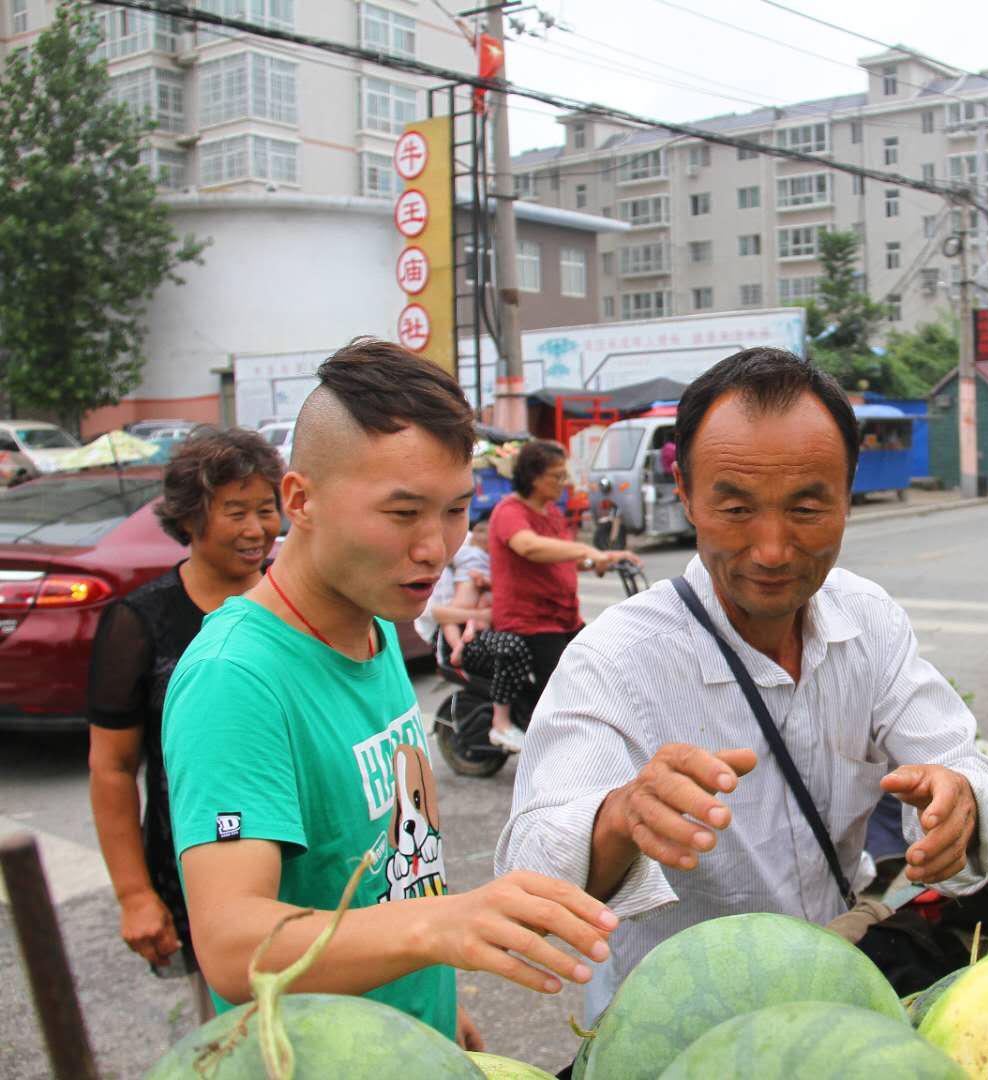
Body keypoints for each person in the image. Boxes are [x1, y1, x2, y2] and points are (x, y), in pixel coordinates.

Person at [494, 347, 988, 1024]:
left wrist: (959, 805)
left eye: (806, 509)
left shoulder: (870, 623)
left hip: (839, 997)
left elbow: (961, 767)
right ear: (684, 493)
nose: (771, 550)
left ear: (848, 495)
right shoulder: (615, 660)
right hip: (675, 1030)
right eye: (736, 509)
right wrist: (621, 816)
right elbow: (531, 873)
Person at [162, 341, 619, 1045]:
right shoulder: (237, 678)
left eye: (455, 510)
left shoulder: (371, 627)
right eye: (404, 514)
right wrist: (442, 925)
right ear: (300, 500)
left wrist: (434, 1001)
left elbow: (390, 877)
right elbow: (230, 944)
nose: (436, 547)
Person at [88, 427, 284, 1022]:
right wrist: (135, 894)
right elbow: (113, 768)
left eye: (267, 509)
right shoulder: (139, 622)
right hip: (198, 883)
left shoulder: (296, 598)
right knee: (234, 1038)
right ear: (191, 518)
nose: (256, 530)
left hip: (307, 874)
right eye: (236, 512)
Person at [488, 440, 642, 701]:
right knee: (566, 693)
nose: (565, 482)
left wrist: (608, 557)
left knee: (599, 668)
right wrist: (586, 551)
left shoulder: (552, 513)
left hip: (564, 616)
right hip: (531, 622)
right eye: (557, 476)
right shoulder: (510, 511)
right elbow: (529, 547)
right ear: (533, 477)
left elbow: (566, 556)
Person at [416, 513, 534, 752]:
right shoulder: (448, 565)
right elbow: (436, 613)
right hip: (453, 639)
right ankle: (501, 723)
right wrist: (479, 617)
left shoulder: (492, 557)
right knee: (511, 647)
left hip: (480, 629)